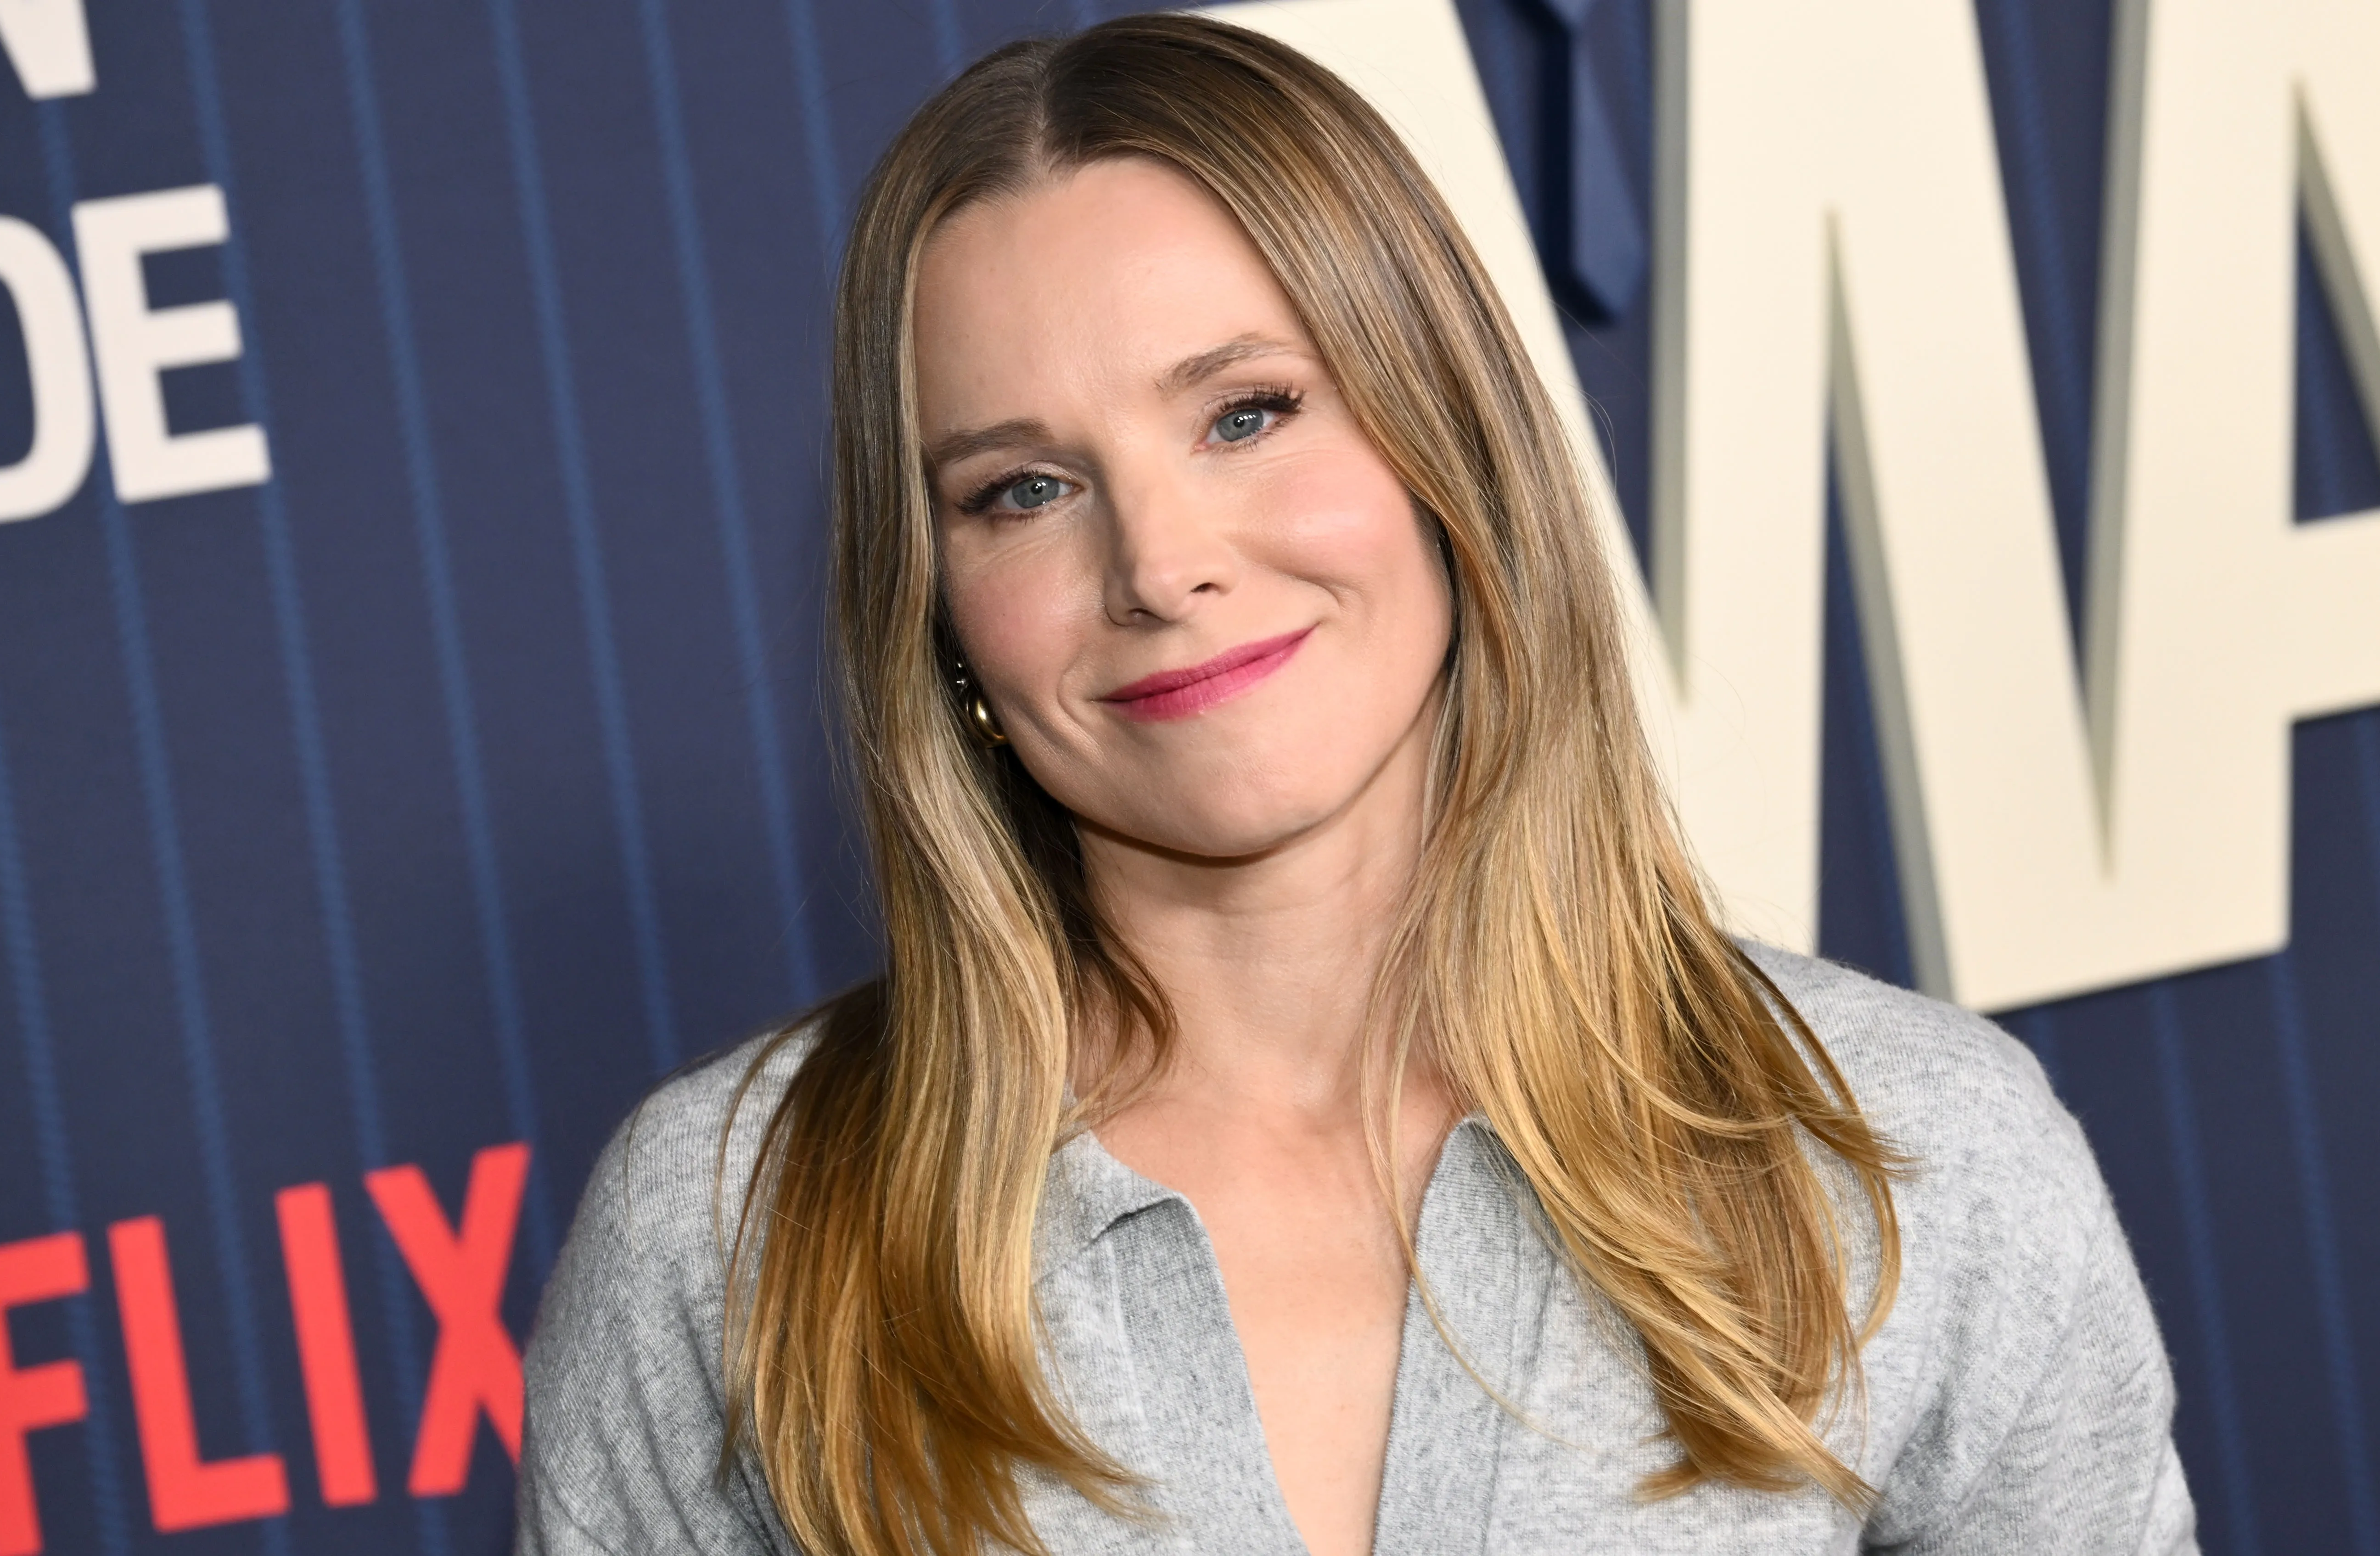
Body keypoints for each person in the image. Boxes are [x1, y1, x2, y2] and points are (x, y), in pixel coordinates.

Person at [516, 14, 2194, 1556]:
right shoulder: (733, 1231)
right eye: (1024, 489)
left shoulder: (1913, 1161)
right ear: (939, 607)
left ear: (1444, 445)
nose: (1162, 563)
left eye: (1248, 414)